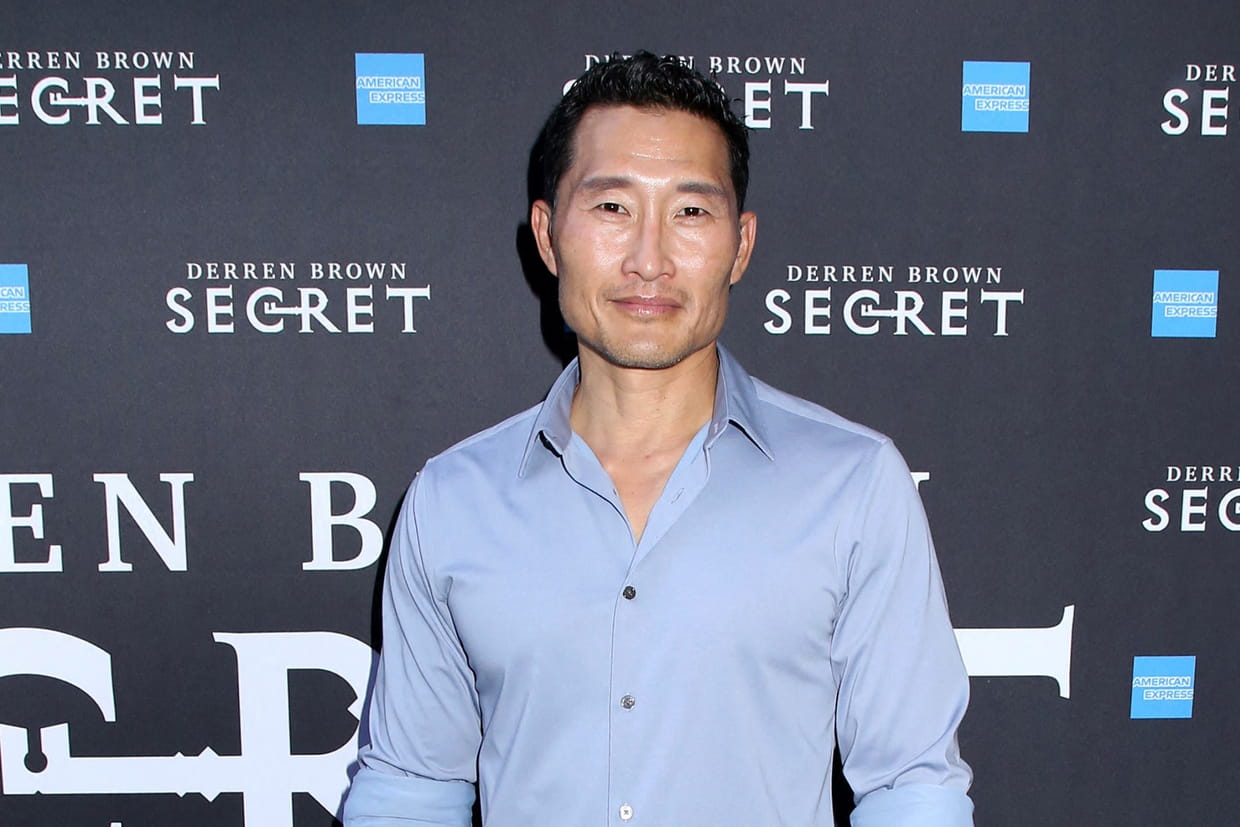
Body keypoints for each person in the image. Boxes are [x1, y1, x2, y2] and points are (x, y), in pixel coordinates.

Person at [344, 51, 973, 826]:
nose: (649, 260)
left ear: (741, 245)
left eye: (691, 212)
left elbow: (912, 789)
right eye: (612, 207)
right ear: (548, 235)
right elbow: (411, 790)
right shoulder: (451, 500)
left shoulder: (853, 484)